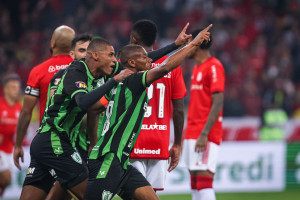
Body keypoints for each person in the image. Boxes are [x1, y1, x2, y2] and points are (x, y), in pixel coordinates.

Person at [85, 24, 212, 200]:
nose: (150, 60)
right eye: (144, 58)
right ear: (132, 63)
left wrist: (94, 140)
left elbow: (94, 109)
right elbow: (165, 67)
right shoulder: (134, 79)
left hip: (122, 162)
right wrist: (193, 44)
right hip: (109, 158)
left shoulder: (120, 79)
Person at [19, 38, 133, 200]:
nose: (115, 60)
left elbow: (135, 61)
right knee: (91, 195)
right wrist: (114, 81)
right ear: (94, 56)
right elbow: (84, 102)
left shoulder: (100, 71)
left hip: (48, 143)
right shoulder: (72, 73)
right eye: (111, 55)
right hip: (53, 141)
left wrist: (175, 47)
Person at [129, 19, 188, 191]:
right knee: (151, 194)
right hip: (159, 141)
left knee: (135, 194)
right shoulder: (172, 67)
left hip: (132, 140)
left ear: (133, 40)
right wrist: (176, 144)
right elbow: (178, 110)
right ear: (154, 40)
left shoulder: (128, 66)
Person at [14, 25, 75, 171]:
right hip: (74, 138)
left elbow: (26, 112)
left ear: (52, 43)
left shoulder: (39, 71)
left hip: (47, 139)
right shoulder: (81, 68)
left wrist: (18, 145)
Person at [181, 29, 225, 200]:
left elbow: (218, 102)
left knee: (204, 182)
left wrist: (204, 133)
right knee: (195, 182)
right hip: (193, 131)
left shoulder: (214, 66)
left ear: (198, 44)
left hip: (205, 133)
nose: (187, 46)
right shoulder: (197, 68)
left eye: (190, 42)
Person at [0, 74, 22, 197]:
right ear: (6, 89)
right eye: (13, 87)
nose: (16, 90)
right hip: (0, 149)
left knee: (7, 181)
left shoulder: (19, 108)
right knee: (7, 177)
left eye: (18, 87)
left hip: (10, 149)